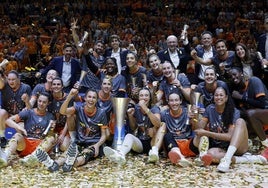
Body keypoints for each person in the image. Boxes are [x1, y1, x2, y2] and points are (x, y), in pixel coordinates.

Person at [193, 87, 267, 172]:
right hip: (222, 148)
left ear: (226, 98)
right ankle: (247, 159)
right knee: (210, 155)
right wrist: (195, 116)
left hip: (238, 147)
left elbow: (229, 137)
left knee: (240, 121)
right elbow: (199, 129)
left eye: (221, 95)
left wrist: (206, 132)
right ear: (213, 97)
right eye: (216, 95)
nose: (218, 97)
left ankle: (227, 159)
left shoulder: (234, 111)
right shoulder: (210, 109)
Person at [34, 88, 108, 172]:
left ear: (97, 100)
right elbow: (63, 111)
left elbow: (104, 135)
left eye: (94, 97)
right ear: (85, 98)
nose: (91, 99)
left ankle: (71, 163)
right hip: (80, 142)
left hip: (93, 143)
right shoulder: (79, 108)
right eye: (89, 97)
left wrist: (97, 145)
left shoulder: (101, 113)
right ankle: (53, 163)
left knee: (84, 155)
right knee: (68, 153)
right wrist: (69, 96)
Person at [103, 87, 166, 164]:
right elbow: (133, 127)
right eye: (141, 95)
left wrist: (146, 109)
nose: (144, 97)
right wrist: (130, 116)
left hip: (153, 142)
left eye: (146, 95)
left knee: (163, 125)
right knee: (129, 136)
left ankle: (154, 153)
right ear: (138, 97)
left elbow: (158, 123)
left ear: (150, 97)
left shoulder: (154, 108)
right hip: (141, 143)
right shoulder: (136, 108)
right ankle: (120, 154)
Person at [0, 92, 57, 170]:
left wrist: (51, 129)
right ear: (37, 100)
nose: (41, 104)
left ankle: (32, 158)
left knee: (52, 138)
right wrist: (20, 128)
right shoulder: (29, 112)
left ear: (48, 103)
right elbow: (8, 120)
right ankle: (4, 157)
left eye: (44, 102)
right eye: (40, 101)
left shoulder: (50, 116)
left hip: (40, 146)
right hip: (26, 143)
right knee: (17, 136)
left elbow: (50, 134)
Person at [229, 67, 268, 147]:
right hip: (258, 120)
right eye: (230, 76)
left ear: (241, 74)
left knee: (250, 113)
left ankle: (265, 143)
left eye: (234, 74)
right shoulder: (238, 91)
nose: (233, 77)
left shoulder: (254, 81)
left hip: (265, 112)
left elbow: (262, 104)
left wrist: (242, 97)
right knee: (240, 124)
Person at [161, 91, 198, 167]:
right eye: (171, 100)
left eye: (176, 100)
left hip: (187, 144)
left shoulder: (187, 111)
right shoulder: (164, 114)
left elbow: (196, 129)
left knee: (201, 135)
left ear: (180, 101)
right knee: (167, 135)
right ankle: (180, 157)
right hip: (172, 146)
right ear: (168, 102)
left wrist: (194, 118)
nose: (174, 103)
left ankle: (202, 156)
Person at [0, 70, 32, 147]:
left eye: (13, 79)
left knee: (18, 135)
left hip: (19, 117)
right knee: (1, 112)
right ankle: (2, 137)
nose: (11, 82)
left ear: (18, 79)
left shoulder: (26, 88)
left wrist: (27, 101)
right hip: (7, 116)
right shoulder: (5, 86)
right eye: (9, 79)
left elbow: (30, 109)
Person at [256, 16, 268, 88]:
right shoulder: (261, 38)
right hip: (265, 71)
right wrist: (261, 60)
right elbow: (258, 53)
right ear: (264, 25)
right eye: (267, 23)